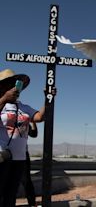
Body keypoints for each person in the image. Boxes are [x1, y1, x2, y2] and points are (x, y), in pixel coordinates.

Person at [0, 69, 55, 207]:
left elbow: (40, 117)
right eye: (8, 84)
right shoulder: (2, 104)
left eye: (15, 83)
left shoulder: (24, 107)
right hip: (2, 158)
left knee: (11, 194)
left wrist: (48, 98)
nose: (13, 87)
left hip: (20, 159)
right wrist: (4, 99)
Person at [20, 122, 38, 206]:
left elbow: (34, 134)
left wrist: (33, 122)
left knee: (26, 181)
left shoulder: (23, 120)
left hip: (23, 155)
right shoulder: (4, 118)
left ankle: (32, 203)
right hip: (6, 155)